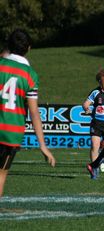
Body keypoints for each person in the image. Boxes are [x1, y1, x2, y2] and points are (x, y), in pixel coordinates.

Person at [0, 29, 56, 196]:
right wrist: (43, 147)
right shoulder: (30, 75)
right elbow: (34, 113)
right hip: (11, 133)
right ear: (29, 48)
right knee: (1, 175)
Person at [82, 71, 104, 171]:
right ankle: (94, 169)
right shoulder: (95, 92)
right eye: (100, 82)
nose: (102, 84)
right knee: (94, 146)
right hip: (97, 123)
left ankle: (103, 159)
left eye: (103, 82)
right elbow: (85, 104)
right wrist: (86, 108)